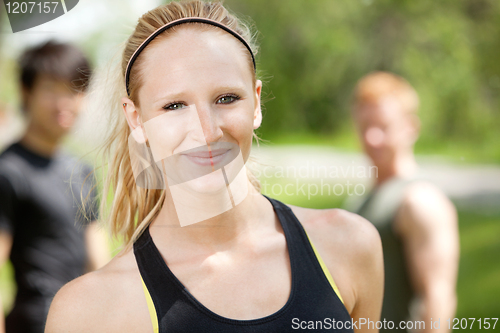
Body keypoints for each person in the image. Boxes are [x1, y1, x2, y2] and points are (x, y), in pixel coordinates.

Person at [45, 1, 383, 332]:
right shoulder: (90, 311)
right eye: (174, 105)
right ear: (136, 118)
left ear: (256, 102)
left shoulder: (349, 245)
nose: (206, 132)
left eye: (226, 98)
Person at [0, 41, 110, 333]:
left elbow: (97, 261)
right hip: (35, 321)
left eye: (74, 89)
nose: (64, 102)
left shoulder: (82, 170)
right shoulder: (8, 171)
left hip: (82, 322)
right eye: (51, 89)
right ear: (27, 92)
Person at [349, 72, 459, 332]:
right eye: (365, 127)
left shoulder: (420, 201)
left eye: (383, 127)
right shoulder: (366, 197)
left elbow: (437, 298)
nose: (371, 138)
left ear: (411, 127)